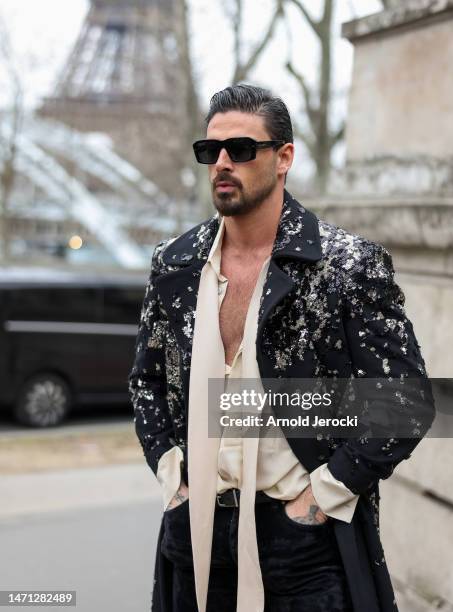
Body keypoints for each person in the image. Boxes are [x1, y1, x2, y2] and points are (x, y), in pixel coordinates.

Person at [128, 84, 434, 612]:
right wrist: (171, 476)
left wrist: (323, 496)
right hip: (193, 529)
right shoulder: (175, 264)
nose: (223, 163)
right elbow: (147, 382)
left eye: (242, 150)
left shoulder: (344, 265)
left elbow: (406, 400)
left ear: (284, 157)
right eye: (210, 151)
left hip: (301, 542)